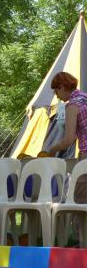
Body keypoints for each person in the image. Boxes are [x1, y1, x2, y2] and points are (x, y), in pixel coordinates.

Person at [49, 71, 87, 244]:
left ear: (62, 87)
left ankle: (82, 243)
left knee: (80, 201)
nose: (57, 96)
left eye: (56, 91)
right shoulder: (85, 98)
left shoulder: (72, 105)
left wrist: (51, 149)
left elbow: (69, 139)